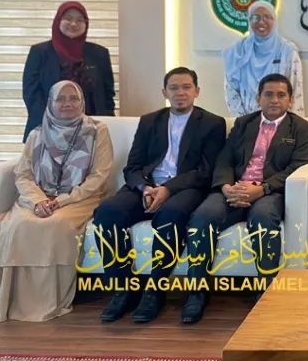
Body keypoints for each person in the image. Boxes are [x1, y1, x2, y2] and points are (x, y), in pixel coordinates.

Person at [92, 67, 227, 324]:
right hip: (147, 186)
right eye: (174, 88)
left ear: (197, 91)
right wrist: (145, 188)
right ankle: (123, 289)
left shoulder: (212, 123)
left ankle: (155, 290)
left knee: (171, 214)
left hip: (185, 188)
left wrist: (168, 189)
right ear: (164, 92)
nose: (180, 93)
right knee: (107, 213)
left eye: (186, 87)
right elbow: (132, 166)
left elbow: (206, 171)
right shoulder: (149, 121)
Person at [181, 73, 308, 324]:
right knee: (202, 218)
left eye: (281, 95)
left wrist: (261, 189)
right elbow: (224, 159)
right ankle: (197, 291)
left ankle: (266, 291)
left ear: (290, 100)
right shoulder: (243, 123)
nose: (274, 100)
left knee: (263, 219)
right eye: (268, 94)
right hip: (234, 188)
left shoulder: (301, 128)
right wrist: (226, 187)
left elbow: (298, 165)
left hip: (269, 192)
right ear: (258, 98)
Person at [0, 81, 113, 322]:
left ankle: (46, 301)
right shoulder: (37, 134)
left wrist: (62, 201)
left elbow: (99, 176)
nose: (67, 104)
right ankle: (13, 300)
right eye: (60, 99)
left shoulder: (96, 131)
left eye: (73, 98)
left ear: (82, 101)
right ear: (50, 103)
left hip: (79, 199)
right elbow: (23, 174)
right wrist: (38, 200)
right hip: (38, 198)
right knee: (17, 226)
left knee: (54, 224)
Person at [22, 1, 115, 141]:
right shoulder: (40, 52)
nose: (73, 24)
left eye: (80, 20)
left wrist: (106, 124)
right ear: (58, 21)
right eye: (68, 18)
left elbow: (107, 94)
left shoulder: (99, 54)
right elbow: (31, 92)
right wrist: (50, 125)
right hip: (47, 131)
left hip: (91, 132)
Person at [223, 0, 305, 117]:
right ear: (249, 20)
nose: (261, 22)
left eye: (267, 17)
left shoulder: (287, 50)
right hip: (246, 120)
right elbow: (231, 89)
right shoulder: (237, 51)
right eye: (256, 17)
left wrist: (291, 123)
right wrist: (243, 120)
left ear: (274, 21)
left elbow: (295, 91)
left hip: (281, 120)